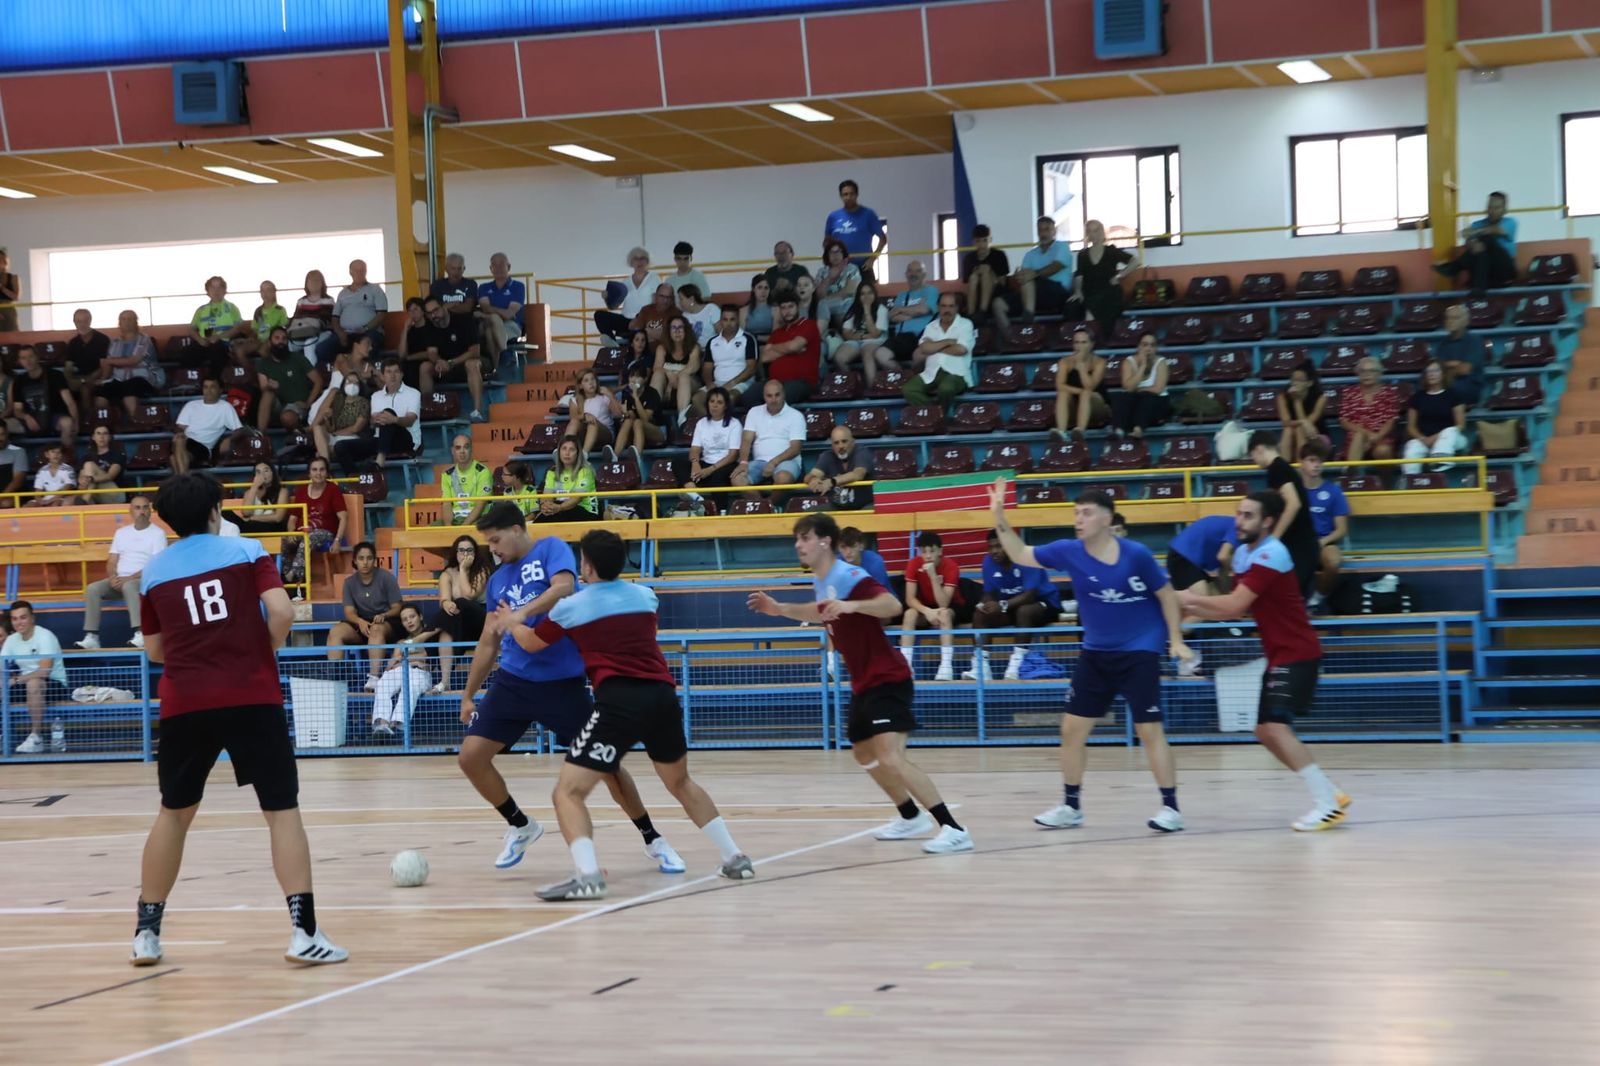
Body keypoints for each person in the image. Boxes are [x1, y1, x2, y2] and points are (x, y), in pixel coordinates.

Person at [129, 472, 347, 966]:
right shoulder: (248, 552)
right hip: (251, 695)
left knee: (173, 814)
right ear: (215, 512)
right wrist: (261, 648)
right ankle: (303, 934)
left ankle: (146, 933)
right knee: (281, 810)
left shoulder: (154, 572)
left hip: (185, 702)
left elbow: (155, 649)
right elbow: (282, 613)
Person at [497, 528, 756, 899]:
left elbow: (532, 643)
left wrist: (513, 621)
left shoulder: (572, 607)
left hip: (619, 701)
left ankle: (587, 876)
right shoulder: (645, 596)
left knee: (567, 793)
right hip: (662, 697)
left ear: (587, 565)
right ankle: (734, 856)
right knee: (681, 783)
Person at [460, 504, 687, 878]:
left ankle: (653, 838)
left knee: (608, 767)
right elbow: (489, 640)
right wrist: (469, 694)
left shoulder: (551, 549)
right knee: (471, 758)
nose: (493, 549)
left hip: (563, 686)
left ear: (517, 529)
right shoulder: (498, 580)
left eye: (496, 539)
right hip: (513, 683)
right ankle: (520, 825)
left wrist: (519, 615)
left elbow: (564, 587)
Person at [748, 514, 971, 853]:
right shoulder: (823, 581)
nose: (798, 545)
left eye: (805, 538)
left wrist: (851, 605)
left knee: (890, 757)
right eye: (797, 539)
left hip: (887, 677)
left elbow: (891, 604)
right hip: (863, 682)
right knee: (864, 753)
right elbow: (820, 611)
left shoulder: (848, 575)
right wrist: (780, 609)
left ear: (825, 541)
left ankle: (953, 829)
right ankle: (910, 816)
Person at [989, 480, 1196, 832]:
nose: (1079, 519)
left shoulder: (1136, 555)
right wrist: (999, 516)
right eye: (1076, 513)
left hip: (1139, 650)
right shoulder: (1068, 551)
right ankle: (1071, 806)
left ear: (1107, 519)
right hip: (1096, 653)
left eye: (1086, 513)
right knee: (1071, 730)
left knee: (1149, 730)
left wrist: (1175, 639)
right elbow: (1021, 553)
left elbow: (1166, 595)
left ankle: (1171, 808)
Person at [1177, 492, 1352, 832]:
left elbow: (1233, 606)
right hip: (1278, 654)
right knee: (1264, 731)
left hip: (1297, 652)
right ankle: (1329, 791)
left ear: (1267, 521)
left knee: (1276, 727)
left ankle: (1326, 804)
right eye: (1238, 514)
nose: (1238, 522)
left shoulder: (1272, 553)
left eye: (1248, 516)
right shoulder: (1244, 554)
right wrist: (1189, 605)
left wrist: (1186, 599)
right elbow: (1235, 609)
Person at [968, 529, 1062, 681]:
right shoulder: (988, 562)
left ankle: (1017, 664)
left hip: (1044, 604)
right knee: (980, 615)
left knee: (1024, 611)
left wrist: (1002, 605)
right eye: (990, 547)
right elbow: (989, 593)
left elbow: (1030, 596)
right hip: (1012, 607)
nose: (994, 551)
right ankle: (981, 667)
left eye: (999, 546)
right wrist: (983, 604)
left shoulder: (1027, 558)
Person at [76, 494, 167, 650]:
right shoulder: (122, 533)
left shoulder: (158, 534)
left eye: (145, 507)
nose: (142, 511)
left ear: (150, 511)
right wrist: (112, 577)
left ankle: (141, 633)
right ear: (130, 511)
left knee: (129, 586)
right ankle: (92, 637)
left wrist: (129, 578)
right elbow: (112, 560)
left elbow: (156, 565)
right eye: (137, 508)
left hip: (145, 581)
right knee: (93, 588)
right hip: (121, 581)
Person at [1247, 430, 1320, 598]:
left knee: (1288, 597)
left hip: (1300, 545)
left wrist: (1274, 539)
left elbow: (1293, 504)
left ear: (1259, 449)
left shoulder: (1277, 469)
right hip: (1301, 543)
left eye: (1253, 455)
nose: (1254, 461)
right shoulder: (1281, 468)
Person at [897, 531, 972, 682]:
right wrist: (927, 611)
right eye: (924, 551)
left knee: (944, 614)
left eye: (932, 551)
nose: (928, 556)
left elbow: (944, 603)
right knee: (909, 614)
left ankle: (946, 666)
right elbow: (910, 599)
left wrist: (932, 576)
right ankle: (906, 667)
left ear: (940, 551)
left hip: (953, 606)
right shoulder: (913, 564)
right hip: (927, 607)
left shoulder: (951, 567)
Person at [4, 601, 69, 755]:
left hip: (54, 685)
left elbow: (44, 671)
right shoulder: (12, 640)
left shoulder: (45, 636)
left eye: (23, 617)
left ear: (32, 618)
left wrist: (16, 680)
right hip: (25, 684)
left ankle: (36, 738)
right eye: (14, 619)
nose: (19, 622)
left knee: (33, 684)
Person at [990, 216, 1073, 332]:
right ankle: (1011, 337)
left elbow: (1056, 266)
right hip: (1032, 294)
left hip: (1058, 292)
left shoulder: (1062, 246)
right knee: (998, 304)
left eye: (1047, 229)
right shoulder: (1030, 254)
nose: (1043, 233)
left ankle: (1027, 325)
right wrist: (1018, 276)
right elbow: (1023, 277)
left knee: (1029, 278)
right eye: (1040, 230)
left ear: (1054, 231)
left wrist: (1033, 274)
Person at [336, 359, 420, 472]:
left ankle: (379, 463)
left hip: (405, 441)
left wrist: (394, 419)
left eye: (396, 371)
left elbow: (410, 420)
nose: (392, 376)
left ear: (402, 374)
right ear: (383, 376)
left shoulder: (413, 393)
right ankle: (355, 477)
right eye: (388, 372)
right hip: (380, 441)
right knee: (340, 446)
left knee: (388, 413)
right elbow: (373, 422)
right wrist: (379, 420)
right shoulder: (376, 396)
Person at [369, 603, 438, 738]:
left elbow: (427, 657)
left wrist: (404, 657)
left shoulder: (430, 637)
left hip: (419, 672)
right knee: (382, 684)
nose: (409, 621)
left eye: (412, 617)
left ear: (420, 617)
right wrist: (414, 658)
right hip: (399, 671)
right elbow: (390, 665)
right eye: (405, 619)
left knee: (410, 686)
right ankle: (381, 724)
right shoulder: (401, 641)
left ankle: (397, 723)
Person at [432, 534, 489, 692]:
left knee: (461, 603)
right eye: (461, 550)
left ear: (475, 553)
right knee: (447, 627)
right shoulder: (447, 574)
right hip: (459, 622)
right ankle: (445, 681)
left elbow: (469, 596)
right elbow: (443, 599)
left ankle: (425, 635)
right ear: (455, 553)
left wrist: (463, 570)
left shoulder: (482, 571)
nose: (465, 554)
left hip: (481, 621)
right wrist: (447, 603)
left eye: (469, 550)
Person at [282, 456, 348, 589]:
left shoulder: (333, 489)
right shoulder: (301, 491)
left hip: (326, 533)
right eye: (315, 470)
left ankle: (293, 578)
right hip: (302, 531)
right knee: (284, 542)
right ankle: (285, 577)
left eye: (322, 469)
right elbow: (292, 518)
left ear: (327, 472)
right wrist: (291, 533)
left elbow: (343, 518)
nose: (318, 473)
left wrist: (337, 540)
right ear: (309, 473)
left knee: (309, 538)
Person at [419, 294, 487, 423]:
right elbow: (431, 352)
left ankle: (477, 411)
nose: (433, 315)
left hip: (470, 362)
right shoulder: (429, 326)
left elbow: (475, 351)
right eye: (429, 313)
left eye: (436, 310)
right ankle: (429, 410)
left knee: (471, 364)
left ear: (444, 307)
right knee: (425, 367)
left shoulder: (465, 320)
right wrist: (439, 361)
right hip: (447, 366)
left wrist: (451, 363)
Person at [1435, 191, 1517, 294]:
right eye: (1490, 207)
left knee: (1487, 239)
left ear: (1504, 210)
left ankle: (1455, 268)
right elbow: (1467, 240)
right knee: (1481, 250)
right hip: (1484, 274)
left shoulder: (1511, 222)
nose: (1492, 211)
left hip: (1504, 272)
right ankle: (1479, 291)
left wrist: (1476, 232)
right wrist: (1473, 244)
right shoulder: (1477, 224)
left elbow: (1496, 230)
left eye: (1496, 208)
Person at [904, 293, 976, 410]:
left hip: (956, 373)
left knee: (946, 388)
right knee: (909, 389)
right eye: (943, 306)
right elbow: (924, 348)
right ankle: (935, 414)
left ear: (957, 308)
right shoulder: (931, 326)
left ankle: (938, 415)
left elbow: (961, 349)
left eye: (951, 306)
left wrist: (934, 346)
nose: (947, 310)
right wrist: (948, 341)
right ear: (938, 307)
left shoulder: (965, 324)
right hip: (931, 373)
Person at [732, 379, 806, 492]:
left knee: (783, 478)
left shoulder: (796, 416)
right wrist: (743, 462)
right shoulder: (754, 412)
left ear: (784, 395)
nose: (773, 400)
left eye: (777, 395)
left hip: (787, 462)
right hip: (759, 462)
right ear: (764, 396)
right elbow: (746, 440)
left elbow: (795, 448)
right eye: (769, 396)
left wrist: (774, 462)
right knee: (737, 479)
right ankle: (761, 503)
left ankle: (770, 503)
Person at [1299, 439, 1349, 603]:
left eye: (1320, 461)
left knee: (1333, 561)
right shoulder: (1293, 491)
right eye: (1312, 460)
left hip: (1324, 543)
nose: (1316, 465)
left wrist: (1322, 542)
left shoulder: (1333, 491)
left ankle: (1316, 599)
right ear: (1301, 462)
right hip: (1299, 543)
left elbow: (1341, 529)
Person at [1403, 360, 1468, 475]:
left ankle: (1440, 462)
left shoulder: (1454, 395)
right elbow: (1411, 427)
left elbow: (1461, 425)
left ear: (1443, 373)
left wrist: (1436, 437)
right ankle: (1411, 480)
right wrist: (1423, 439)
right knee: (1411, 447)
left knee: (1450, 431)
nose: (1431, 374)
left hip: (1451, 439)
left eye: (1435, 370)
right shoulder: (1417, 397)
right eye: (1428, 371)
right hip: (1424, 439)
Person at [256, 326, 326, 432]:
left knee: (288, 417)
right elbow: (263, 387)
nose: (281, 341)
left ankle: (299, 433)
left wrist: (308, 403)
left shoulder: (298, 358)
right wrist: (271, 386)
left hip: (298, 404)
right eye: (277, 338)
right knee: (267, 394)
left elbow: (318, 381)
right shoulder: (263, 363)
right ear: (269, 342)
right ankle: (260, 435)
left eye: (284, 339)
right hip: (278, 405)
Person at [97, 309, 164, 417]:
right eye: (124, 319)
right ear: (119, 323)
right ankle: (103, 422)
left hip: (144, 379)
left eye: (130, 319)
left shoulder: (145, 340)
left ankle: (135, 421)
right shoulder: (114, 342)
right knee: (103, 391)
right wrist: (103, 379)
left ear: (136, 322)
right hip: (119, 380)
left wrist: (109, 361)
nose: (127, 322)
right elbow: (108, 365)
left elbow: (133, 360)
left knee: (130, 387)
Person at [319, 259, 388, 363]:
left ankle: (369, 371)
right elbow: (335, 318)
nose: (360, 273)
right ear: (350, 272)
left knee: (367, 345)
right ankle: (337, 371)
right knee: (322, 349)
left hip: (369, 332)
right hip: (346, 333)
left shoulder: (375, 289)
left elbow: (381, 314)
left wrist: (365, 328)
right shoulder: (342, 293)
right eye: (356, 270)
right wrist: (340, 333)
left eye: (362, 270)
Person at [1073, 218, 1139, 328]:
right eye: (1089, 231)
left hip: (1110, 291)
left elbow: (1135, 261)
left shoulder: (1111, 250)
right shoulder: (1082, 255)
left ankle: (1095, 332)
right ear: (1087, 234)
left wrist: (1119, 275)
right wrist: (1078, 292)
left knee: (1092, 310)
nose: (1093, 234)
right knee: (1072, 306)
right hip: (1090, 292)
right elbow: (1079, 276)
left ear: (1102, 232)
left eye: (1096, 230)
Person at [759, 292, 821, 406]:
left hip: (803, 382)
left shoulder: (808, 325)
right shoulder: (777, 333)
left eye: (790, 306)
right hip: (774, 383)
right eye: (783, 308)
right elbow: (765, 357)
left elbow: (794, 346)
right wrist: (789, 348)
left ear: (798, 306)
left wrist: (774, 348)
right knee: (749, 396)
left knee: (778, 398)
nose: (787, 311)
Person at [13, 345, 78, 448]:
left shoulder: (55, 375)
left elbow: (70, 403)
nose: (28, 361)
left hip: (53, 418)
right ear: (19, 361)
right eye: (23, 358)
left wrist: (76, 423)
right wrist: (27, 417)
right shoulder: (19, 381)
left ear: (37, 357)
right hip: (31, 420)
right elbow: (17, 409)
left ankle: (66, 455)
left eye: (31, 356)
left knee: (68, 423)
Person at [171, 378, 242, 475]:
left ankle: (182, 479)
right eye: (205, 387)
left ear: (220, 390)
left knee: (173, 458)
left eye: (212, 387)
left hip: (204, 446)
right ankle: (184, 479)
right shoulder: (191, 405)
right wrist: (179, 432)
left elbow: (239, 430)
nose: (208, 390)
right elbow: (180, 427)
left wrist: (229, 439)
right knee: (179, 441)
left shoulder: (225, 407)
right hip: (186, 440)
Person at [697, 305, 758, 414]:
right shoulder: (712, 341)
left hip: (741, 383)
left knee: (728, 398)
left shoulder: (748, 339)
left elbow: (751, 368)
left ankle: (722, 422)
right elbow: (707, 368)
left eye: (732, 319)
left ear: (738, 320)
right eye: (725, 319)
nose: (728, 323)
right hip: (718, 383)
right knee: (697, 399)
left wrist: (731, 383)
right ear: (721, 321)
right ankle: (711, 421)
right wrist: (709, 384)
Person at [828, 279, 890, 386]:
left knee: (867, 353)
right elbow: (846, 333)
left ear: (874, 294)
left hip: (876, 341)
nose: (866, 296)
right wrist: (862, 336)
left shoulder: (881, 309)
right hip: (856, 340)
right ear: (858, 296)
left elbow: (875, 334)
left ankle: (871, 388)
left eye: (869, 293)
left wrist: (867, 310)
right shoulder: (854, 309)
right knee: (839, 358)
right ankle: (852, 385)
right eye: (862, 294)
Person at [1338, 357, 1400, 463]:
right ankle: (1352, 471)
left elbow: (1391, 421)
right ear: (1358, 374)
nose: (1366, 374)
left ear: (1379, 373)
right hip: (1356, 438)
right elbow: (1344, 421)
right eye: (1363, 371)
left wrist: (1376, 437)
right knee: (1358, 436)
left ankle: (1384, 478)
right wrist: (1367, 434)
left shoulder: (1389, 393)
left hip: (1381, 437)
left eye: (1371, 371)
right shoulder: (1350, 393)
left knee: (1383, 450)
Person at [1109, 332, 1170, 438]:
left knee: (1147, 397)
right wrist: (1142, 366)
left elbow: (1158, 389)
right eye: (1145, 345)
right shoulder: (1129, 362)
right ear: (1138, 347)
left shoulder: (1161, 362)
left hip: (1156, 405)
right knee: (1121, 397)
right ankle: (1118, 430)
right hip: (1134, 406)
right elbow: (1128, 387)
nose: (1148, 349)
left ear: (1156, 348)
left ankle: (1139, 429)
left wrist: (1139, 390)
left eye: (1152, 345)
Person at [1053, 325, 1109, 439]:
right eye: (1077, 342)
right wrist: (1080, 391)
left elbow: (1090, 387)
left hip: (1096, 405)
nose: (1080, 346)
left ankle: (1080, 432)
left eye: (1084, 342)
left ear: (1092, 344)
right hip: (1075, 406)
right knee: (1063, 393)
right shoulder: (1065, 362)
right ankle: (1062, 432)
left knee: (1086, 394)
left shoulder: (1100, 362)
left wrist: (1082, 368)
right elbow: (1059, 385)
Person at [594, 247, 660, 342]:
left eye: (642, 258)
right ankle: (613, 343)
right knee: (599, 315)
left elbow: (656, 304)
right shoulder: (626, 281)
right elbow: (613, 306)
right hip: (627, 320)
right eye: (636, 258)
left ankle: (628, 340)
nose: (639, 261)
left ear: (647, 261)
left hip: (645, 320)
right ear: (631, 262)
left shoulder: (654, 278)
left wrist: (639, 319)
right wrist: (606, 297)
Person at [687, 386, 742, 498]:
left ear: (726, 406)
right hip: (706, 461)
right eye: (712, 401)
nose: (714, 405)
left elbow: (733, 455)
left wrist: (710, 469)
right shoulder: (701, 423)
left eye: (719, 402)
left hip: (725, 464)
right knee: (678, 463)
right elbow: (695, 449)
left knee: (718, 476)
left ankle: (719, 508)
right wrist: (695, 463)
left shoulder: (734, 424)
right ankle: (692, 490)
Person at [1164, 513, 1238, 595]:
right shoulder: (1236, 527)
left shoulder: (1232, 536)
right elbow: (1223, 557)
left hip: (1191, 561)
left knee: (1215, 595)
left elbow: (1222, 572)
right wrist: (1231, 568)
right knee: (1202, 598)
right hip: (1182, 557)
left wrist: (1227, 596)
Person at [804, 424, 872, 510]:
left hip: (865, 505)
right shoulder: (827, 456)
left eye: (844, 441)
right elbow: (811, 475)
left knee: (868, 512)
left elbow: (858, 474)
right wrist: (813, 479)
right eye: (836, 443)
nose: (840, 446)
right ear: (832, 445)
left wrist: (832, 482)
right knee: (811, 512)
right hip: (838, 506)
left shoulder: (862, 452)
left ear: (853, 442)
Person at [823, 179, 886, 268]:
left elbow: (883, 239)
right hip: (840, 267)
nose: (849, 197)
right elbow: (827, 242)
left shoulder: (868, 214)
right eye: (845, 194)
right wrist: (832, 258)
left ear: (857, 194)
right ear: (841, 196)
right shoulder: (833, 217)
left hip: (863, 266)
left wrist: (873, 258)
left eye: (851, 194)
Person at [884, 261, 938, 363]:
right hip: (901, 338)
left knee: (918, 357)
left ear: (924, 274)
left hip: (923, 338)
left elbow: (924, 310)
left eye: (918, 271)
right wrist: (916, 311)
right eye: (910, 271)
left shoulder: (931, 291)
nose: (913, 274)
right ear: (906, 274)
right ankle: (901, 373)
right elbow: (892, 316)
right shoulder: (901, 295)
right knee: (881, 355)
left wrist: (901, 309)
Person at [477, 251, 525, 363]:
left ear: (509, 267)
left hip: (511, 325)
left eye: (501, 264)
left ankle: (496, 366)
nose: (498, 268)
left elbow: (509, 314)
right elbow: (485, 308)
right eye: (494, 265)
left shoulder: (518, 286)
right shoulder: (484, 287)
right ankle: (503, 356)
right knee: (491, 324)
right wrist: (497, 312)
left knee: (490, 329)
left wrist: (488, 314)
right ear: (490, 268)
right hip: (489, 323)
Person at [538, 436, 600, 523]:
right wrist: (546, 506)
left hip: (586, 511)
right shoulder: (552, 472)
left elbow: (576, 499)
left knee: (558, 514)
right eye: (564, 449)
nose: (567, 453)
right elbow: (547, 496)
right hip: (561, 510)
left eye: (572, 449)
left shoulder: (585, 471)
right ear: (559, 452)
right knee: (543, 517)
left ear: (578, 453)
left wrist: (559, 507)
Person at [612, 362, 666, 462]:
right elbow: (631, 416)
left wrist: (636, 398)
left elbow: (646, 419)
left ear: (645, 379)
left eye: (637, 377)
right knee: (628, 421)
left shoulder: (652, 393)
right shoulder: (627, 394)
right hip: (637, 431)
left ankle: (637, 459)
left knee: (638, 422)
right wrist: (625, 414)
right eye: (631, 376)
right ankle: (614, 456)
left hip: (657, 430)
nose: (633, 380)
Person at [1276, 362, 1327, 462]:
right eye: (1293, 379)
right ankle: (1284, 467)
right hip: (1292, 438)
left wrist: (1297, 401)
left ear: (1309, 383)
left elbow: (1308, 425)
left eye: (1299, 380)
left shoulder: (1321, 398)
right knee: (1288, 430)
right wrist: (1302, 422)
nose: (1294, 383)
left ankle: (1302, 467)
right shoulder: (1282, 397)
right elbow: (1286, 422)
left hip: (1316, 436)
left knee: (1300, 429)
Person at [651, 318, 700, 421]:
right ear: (669, 331)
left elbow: (693, 367)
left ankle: (682, 419)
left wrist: (671, 382)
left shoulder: (694, 347)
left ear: (686, 330)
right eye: (673, 328)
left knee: (684, 377)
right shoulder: (662, 348)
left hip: (690, 384)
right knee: (658, 374)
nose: (677, 331)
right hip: (666, 387)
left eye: (680, 327)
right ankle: (653, 415)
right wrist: (669, 374)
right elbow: (657, 367)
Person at [961, 224, 1010, 327]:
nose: (982, 245)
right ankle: (971, 314)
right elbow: (967, 285)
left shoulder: (999, 255)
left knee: (986, 273)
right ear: (973, 242)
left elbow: (1003, 282)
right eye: (978, 241)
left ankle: (982, 312)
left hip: (996, 293)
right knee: (973, 277)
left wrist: (990, 273)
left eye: (985, 240)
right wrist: (976, 273)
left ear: (990, 240)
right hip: (976, 295)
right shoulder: (969, 258)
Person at [64, 308, 111, 412]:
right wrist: (69, 380)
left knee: (85, 388)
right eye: (78, 321)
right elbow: (68, 367)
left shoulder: (103, 339)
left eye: (85, 321)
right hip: (78, 378)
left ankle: (88, 418)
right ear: (74, 322)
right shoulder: (73, 343)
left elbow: (104, 366)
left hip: (97, 378)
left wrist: (88, 379)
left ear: (90, 320)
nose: (82, 324)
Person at [441, 434, 494, 526]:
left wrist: (463, 527)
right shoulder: (447, 474)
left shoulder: (482, 472)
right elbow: (446, 504)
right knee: (430, 530)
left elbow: (480, 504)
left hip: (479, 519)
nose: (462, 451)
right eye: (458, 448)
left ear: (471, 449)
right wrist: (448, 528)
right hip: (456, 519)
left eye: (466, 447)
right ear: (453, 451)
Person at [1437, 303, 1483, 402]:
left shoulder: (1474, 340)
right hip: (1449, 384)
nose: (1450, 321)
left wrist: (1448, 367)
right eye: (1448, 318)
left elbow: (1465, 370)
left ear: (1465, 321)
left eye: (1455, 318)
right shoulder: (1443, 343)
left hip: (1469, 385)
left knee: (1448, 391)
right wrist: (1456, 364)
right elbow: (1439, 368)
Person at [288, 269, 336, 365]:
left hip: (322, 332)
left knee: (309, 344)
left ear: (322, 283)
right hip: (302, 332)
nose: (314, 283)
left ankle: (311, 371)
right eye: (310, 280)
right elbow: (296, 319)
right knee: (289, 344)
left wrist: (307, 319)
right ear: (306, 283)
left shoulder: (328, 300)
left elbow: (326, 319)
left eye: (317, 280)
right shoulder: (301, 301)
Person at [814, 237, 861, 330]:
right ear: (827, 256)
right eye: (831, 252)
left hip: (848, 303)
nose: (835, 255)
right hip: (829, 305)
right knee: (822, 304)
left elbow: (849, 291)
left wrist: (828, 298)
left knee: (844, 304)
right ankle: (821, 334)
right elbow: (819, 295)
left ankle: (845, 332)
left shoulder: (852, 269)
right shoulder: (822, 271)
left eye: (838, 252)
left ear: (843, 254)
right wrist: (829, 278)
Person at [234, 461, 290, 536]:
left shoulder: (282, 491)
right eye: (258, 472)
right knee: (226, 513)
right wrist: (254, 487)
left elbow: (278, 518)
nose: (262, 475)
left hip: (271, 527)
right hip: (251, 526)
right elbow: (246, 513)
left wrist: (252, 518)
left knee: (246, 526)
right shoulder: (249, 492)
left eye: (266, 471)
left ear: (273, 473)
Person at [838, 526, 893, 592]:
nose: (848, 552)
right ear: (838, 548)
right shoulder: (836, 564)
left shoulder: (875, 562)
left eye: (853, 546)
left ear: (861, 546)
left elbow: (878, 593)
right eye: (843, 547)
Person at [250, 280, 290, 352]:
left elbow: (283, 328)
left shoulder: (280, 310)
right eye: (262, 290)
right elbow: (255, 329)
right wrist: (252, 339)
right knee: (240, 350)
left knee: (263, 351)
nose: (265, 293)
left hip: (272, 341)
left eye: (268, 290)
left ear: (274, 292)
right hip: (259, 340)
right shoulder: (258, 310)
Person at [0, 423, 29, 503]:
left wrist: (1, 497)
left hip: (11, 494)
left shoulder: (18, 451)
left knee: (7, 503)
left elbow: (18, 480)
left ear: (7, 434)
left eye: (2, 434)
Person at [0, 247, 18, 332]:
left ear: (5, 262)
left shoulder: (13, 278)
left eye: (1, 260)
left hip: (8, 310)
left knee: (12, 333)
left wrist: (2, 288)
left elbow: (15, 297)